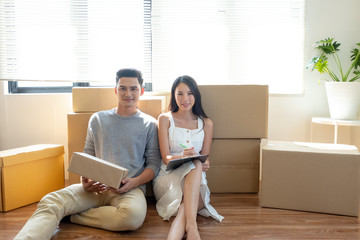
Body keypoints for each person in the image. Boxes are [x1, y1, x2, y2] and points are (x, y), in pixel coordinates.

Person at [15, 68, 161, 240]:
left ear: (141, 91)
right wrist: (85, 181)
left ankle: (71, 216)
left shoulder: (149, 124)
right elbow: (87, 157)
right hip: (96, 188)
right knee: (50, 201)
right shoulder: (98, 119)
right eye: (122, 88)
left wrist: (134, 182)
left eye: (133, 88)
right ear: (115, 90)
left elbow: (153, 165)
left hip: (129, 190)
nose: (128, 93)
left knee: (131, 218)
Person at [153, 75, 224, 240]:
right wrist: (181, 156)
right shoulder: (165, 119)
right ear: (174, 95)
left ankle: (189, 227)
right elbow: (165, 158)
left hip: (196, 181)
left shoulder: (206, 123)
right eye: (180, 94)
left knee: (197, 167)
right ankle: (193, 229)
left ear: (196, 95)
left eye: (190, 93)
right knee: (195, 165)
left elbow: (206, 158)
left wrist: (205, 163)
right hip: (169, 179)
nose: (185, 99)